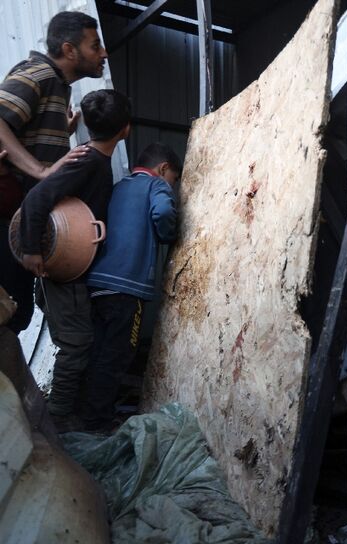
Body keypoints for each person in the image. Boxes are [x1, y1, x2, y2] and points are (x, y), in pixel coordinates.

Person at [17, 89, 131, 432]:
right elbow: (37, 199)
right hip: (63, 273)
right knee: (77, 344)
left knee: (79, 341)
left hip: (72, 270)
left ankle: (63, 413)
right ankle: (59, 422)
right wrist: (30, 250)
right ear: (126, 128)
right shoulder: (87, 162)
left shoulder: (90, 158)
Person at [0, 11, 107, 333]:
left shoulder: (59, 87)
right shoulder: (40, 73)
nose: (103, 53)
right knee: (9, 312)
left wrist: (64, 131)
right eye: (95, 45)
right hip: (7, 214)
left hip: (20, 217)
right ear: (69, 50)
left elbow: (27, 131)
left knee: (15, 314)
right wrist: (38, 170)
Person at [80, 143, 180, 432]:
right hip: (127, 289)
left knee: (99, 350)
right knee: (119, 354)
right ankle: (98, 421)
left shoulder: (119, 186)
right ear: (162, 170)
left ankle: (87, 411)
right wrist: (168, 234)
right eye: (173, 179)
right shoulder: (155, 186)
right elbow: (162, 214)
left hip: (98, 283)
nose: (171, 186)